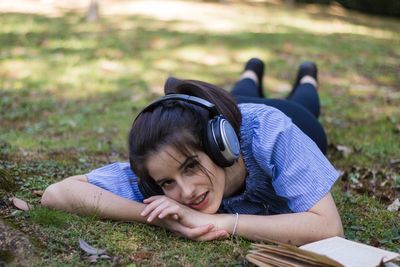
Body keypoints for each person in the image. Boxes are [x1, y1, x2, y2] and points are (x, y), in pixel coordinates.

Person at [41, 58, 343, 245]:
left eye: (190, 166)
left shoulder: (272, 132)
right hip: (225, 110)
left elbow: (328, 228)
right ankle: (252, 70)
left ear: (219, 143)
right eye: (166, 183)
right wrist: (164, 219)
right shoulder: (163, 163)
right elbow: (57, 194)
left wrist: (220, 223)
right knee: (240, 94)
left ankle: (307, 75)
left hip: (296, 119)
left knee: (305, 104)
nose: (184, 193)